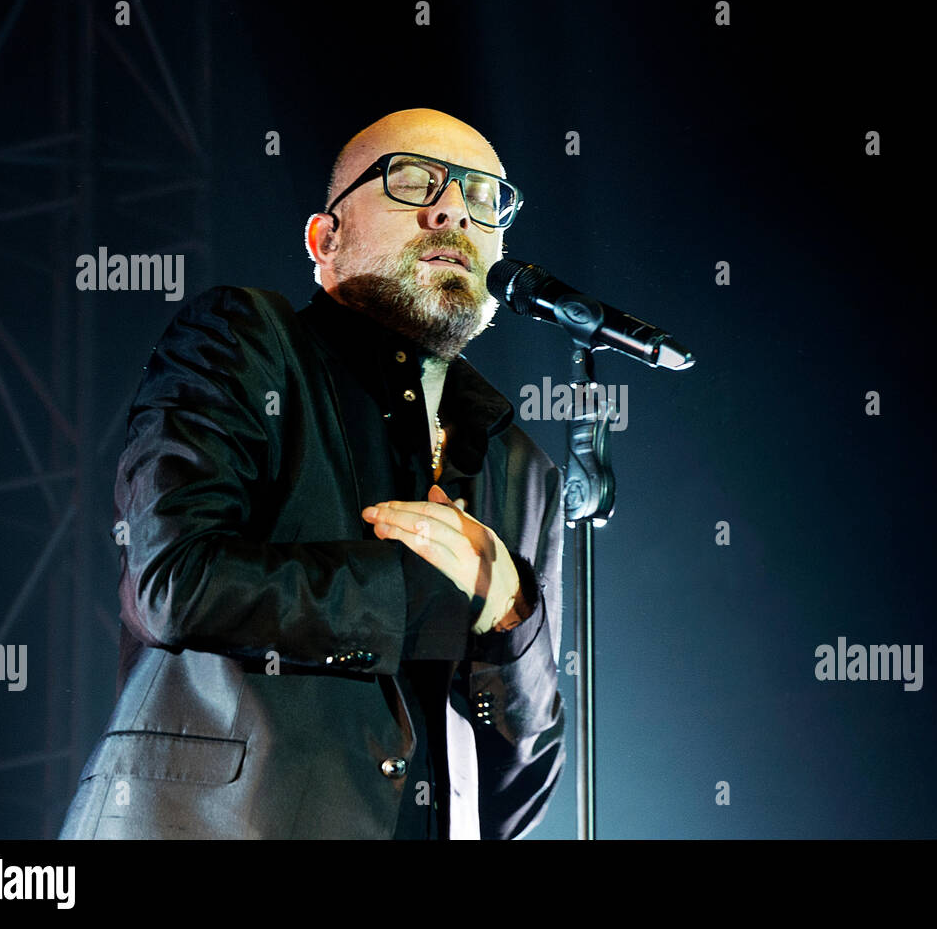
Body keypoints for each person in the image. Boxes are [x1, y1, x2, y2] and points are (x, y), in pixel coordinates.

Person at [58, 108, 566, 839]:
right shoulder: (245, 342)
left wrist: (511, 615)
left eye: (483, 196)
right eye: (414, 180)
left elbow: (517, 797)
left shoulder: (523, 469)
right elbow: (174, 581)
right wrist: (427, 598)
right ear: (325, 241)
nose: (451, 206)